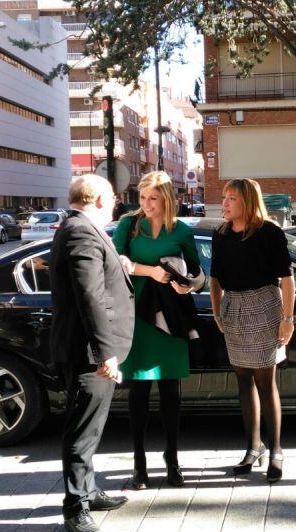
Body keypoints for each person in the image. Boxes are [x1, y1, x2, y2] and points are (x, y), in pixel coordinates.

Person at [50, 174, 135, 532]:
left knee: (92, 426)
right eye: (112, 196)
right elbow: (90, 297)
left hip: (90, 349)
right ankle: (76, 507)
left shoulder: (78, 228)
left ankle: (88, 490)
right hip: (89, 352)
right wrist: (106, 353)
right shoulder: (81, 231)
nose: (116, 201)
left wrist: (120, 265)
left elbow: (95, 279)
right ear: (99, 198)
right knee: (83, 429)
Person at [112, 171, 204, 490]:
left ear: (166, 198)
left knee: (170, 394)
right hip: (136, 315)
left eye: (153, 198)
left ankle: (173, 461)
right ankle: (139, 466)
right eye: (142, 198)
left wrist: (190, 286)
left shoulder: (180, 229)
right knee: (138, 392)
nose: (146, 204)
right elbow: (116, 261)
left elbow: (197, 272)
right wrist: (149, 271)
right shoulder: (128, 224)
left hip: (170, 316)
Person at [209, 178, 296, 484]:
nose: (225, 203)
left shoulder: (269, 232)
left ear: (247, 201)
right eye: (225, 198)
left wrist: (288, 319)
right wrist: (217, 311)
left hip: (265, 306)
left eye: (232, 198)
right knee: (243, 379)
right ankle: (253, 447)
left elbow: (286, 278)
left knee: (265, 380)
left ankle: (276, 450)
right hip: (234, 308)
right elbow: (215, 278)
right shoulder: (219, 234)